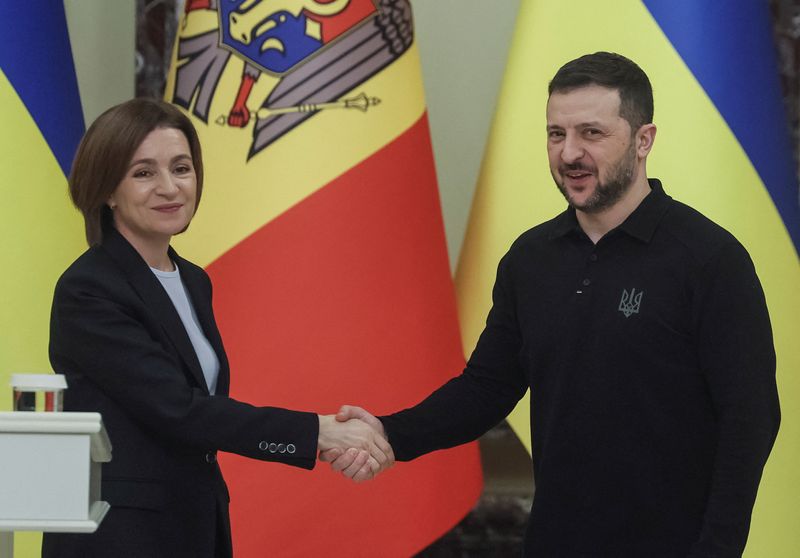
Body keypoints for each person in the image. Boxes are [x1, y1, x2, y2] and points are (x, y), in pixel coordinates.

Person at [323, 52, 780, 556]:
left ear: (644, 140)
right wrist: (389, 432)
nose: (569, 154)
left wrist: (718, 548)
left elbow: (751, 418)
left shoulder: (709, 259)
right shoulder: (530, 259)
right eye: (556, 134)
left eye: (592, 133)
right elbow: (486, 390)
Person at [42, 98, 392, 558]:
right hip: (120, 535)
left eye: (181, 168)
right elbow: (178, 410)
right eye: (143, 173)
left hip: (194, 524)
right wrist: (317, 434)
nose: (169, 187)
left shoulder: (191, 280)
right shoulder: (88, 290)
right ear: (108, 190)